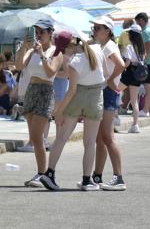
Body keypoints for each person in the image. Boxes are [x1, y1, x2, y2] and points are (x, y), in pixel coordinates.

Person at [40, 36, 106, 191]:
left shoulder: (74, 62)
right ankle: (86, 180)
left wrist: (59, 110)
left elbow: (72, 90)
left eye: (63, 51)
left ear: (69, 48)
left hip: (77, 96)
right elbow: (106, 72)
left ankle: (49, 173)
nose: (63, 54)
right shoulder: (97, 50)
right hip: (96, 95)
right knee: (90, 142)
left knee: (62, 137)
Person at [15, 19, 65, 188]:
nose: (39, 35)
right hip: (31, 90)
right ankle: (40, 173)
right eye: (37, 32)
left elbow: (51, 71)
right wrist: (24, 47)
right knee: (34, 138)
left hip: (45, 92)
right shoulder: (32, 51)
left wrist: (42, 54)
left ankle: (43, 173)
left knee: (38, 137)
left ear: (50, 33)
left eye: (42, 32)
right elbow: (19, 66)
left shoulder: (56, 52)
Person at [91, 16, 127, 191]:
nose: (95, 30)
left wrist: (110, 80)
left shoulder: (110, 46)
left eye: (99, 27)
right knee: (100, 138)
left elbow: (121, 65)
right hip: (104, 91)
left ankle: (118, 177)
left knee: (107, 137)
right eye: (95, 27)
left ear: (108, 31)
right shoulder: (102, 46)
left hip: (108, 92)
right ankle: (97, 175)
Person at [118, 24, 145, 133]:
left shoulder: (129, 47)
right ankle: (135, 125)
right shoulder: (141, 48)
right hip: (138, 75)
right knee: (134, 101)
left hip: (129, 73)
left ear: (131, 35)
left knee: (114, 90)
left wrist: (121, 67)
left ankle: (114, 117)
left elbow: (128, 63)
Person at [134, 12, 150, 117]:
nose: (137, 24)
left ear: (141, 20)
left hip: (148, 62)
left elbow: (148, 46)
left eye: (137, 22)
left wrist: (143, 60)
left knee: (148, 87)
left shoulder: (145, 32)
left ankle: (145, 110)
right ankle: (149, 110)